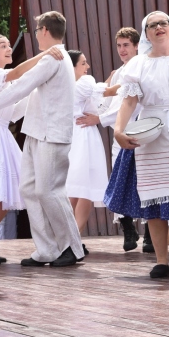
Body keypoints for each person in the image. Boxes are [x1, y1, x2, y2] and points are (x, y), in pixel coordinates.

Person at [0, 11, 85, 267]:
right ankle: (47, 250)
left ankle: (72, 247)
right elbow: (32, 99)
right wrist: (6, 115)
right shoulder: (52, 58)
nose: (36, 33)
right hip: (36, 132)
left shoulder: (55, 57)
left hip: (52, 134)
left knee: (49, 191)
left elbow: (23, 84)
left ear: (44, 31)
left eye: (37, 29)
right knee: (29, 188)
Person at [113, 11, 169, 279]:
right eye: (153, 25)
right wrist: (118, 129)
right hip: (150, 135)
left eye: (164, 23)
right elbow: (129, 100)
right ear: (146, 33)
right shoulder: (137, 64)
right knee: (154, 200)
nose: (159, 27)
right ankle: (161, 260)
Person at [0, 34, 58, 265]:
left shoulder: (4, 79)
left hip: (1, 133)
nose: (8, 49)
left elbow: (13, 114)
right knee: (2, 197)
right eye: (2, 46)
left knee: (5, 197)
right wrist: (45, 55)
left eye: (8, 45)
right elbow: (16, 73)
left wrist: (35, 94)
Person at [83, 27, 142, 251]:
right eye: (119, 45)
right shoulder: (118, 74)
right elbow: (108, 104)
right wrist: (97, 111)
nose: (122, 50)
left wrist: (100, 118)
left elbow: (131, 104)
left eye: (126, 45)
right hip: (120, 135)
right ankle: (128, 228)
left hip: (140, 131)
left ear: (136, 45)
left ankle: (148, 236)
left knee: (143, 182)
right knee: (120, 181)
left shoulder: (142, 66)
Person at [66, 50, 114, 252]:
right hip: (84, 136)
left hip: (72, 134)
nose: (87, 67)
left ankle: (68, 237)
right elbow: (107, 91)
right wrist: (123, 83)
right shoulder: (85, 83)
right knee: (83, 188)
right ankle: (73, 239)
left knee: (73, 188)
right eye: (83, 63)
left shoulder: (64, 87)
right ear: (73, 66)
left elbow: (99, 98)